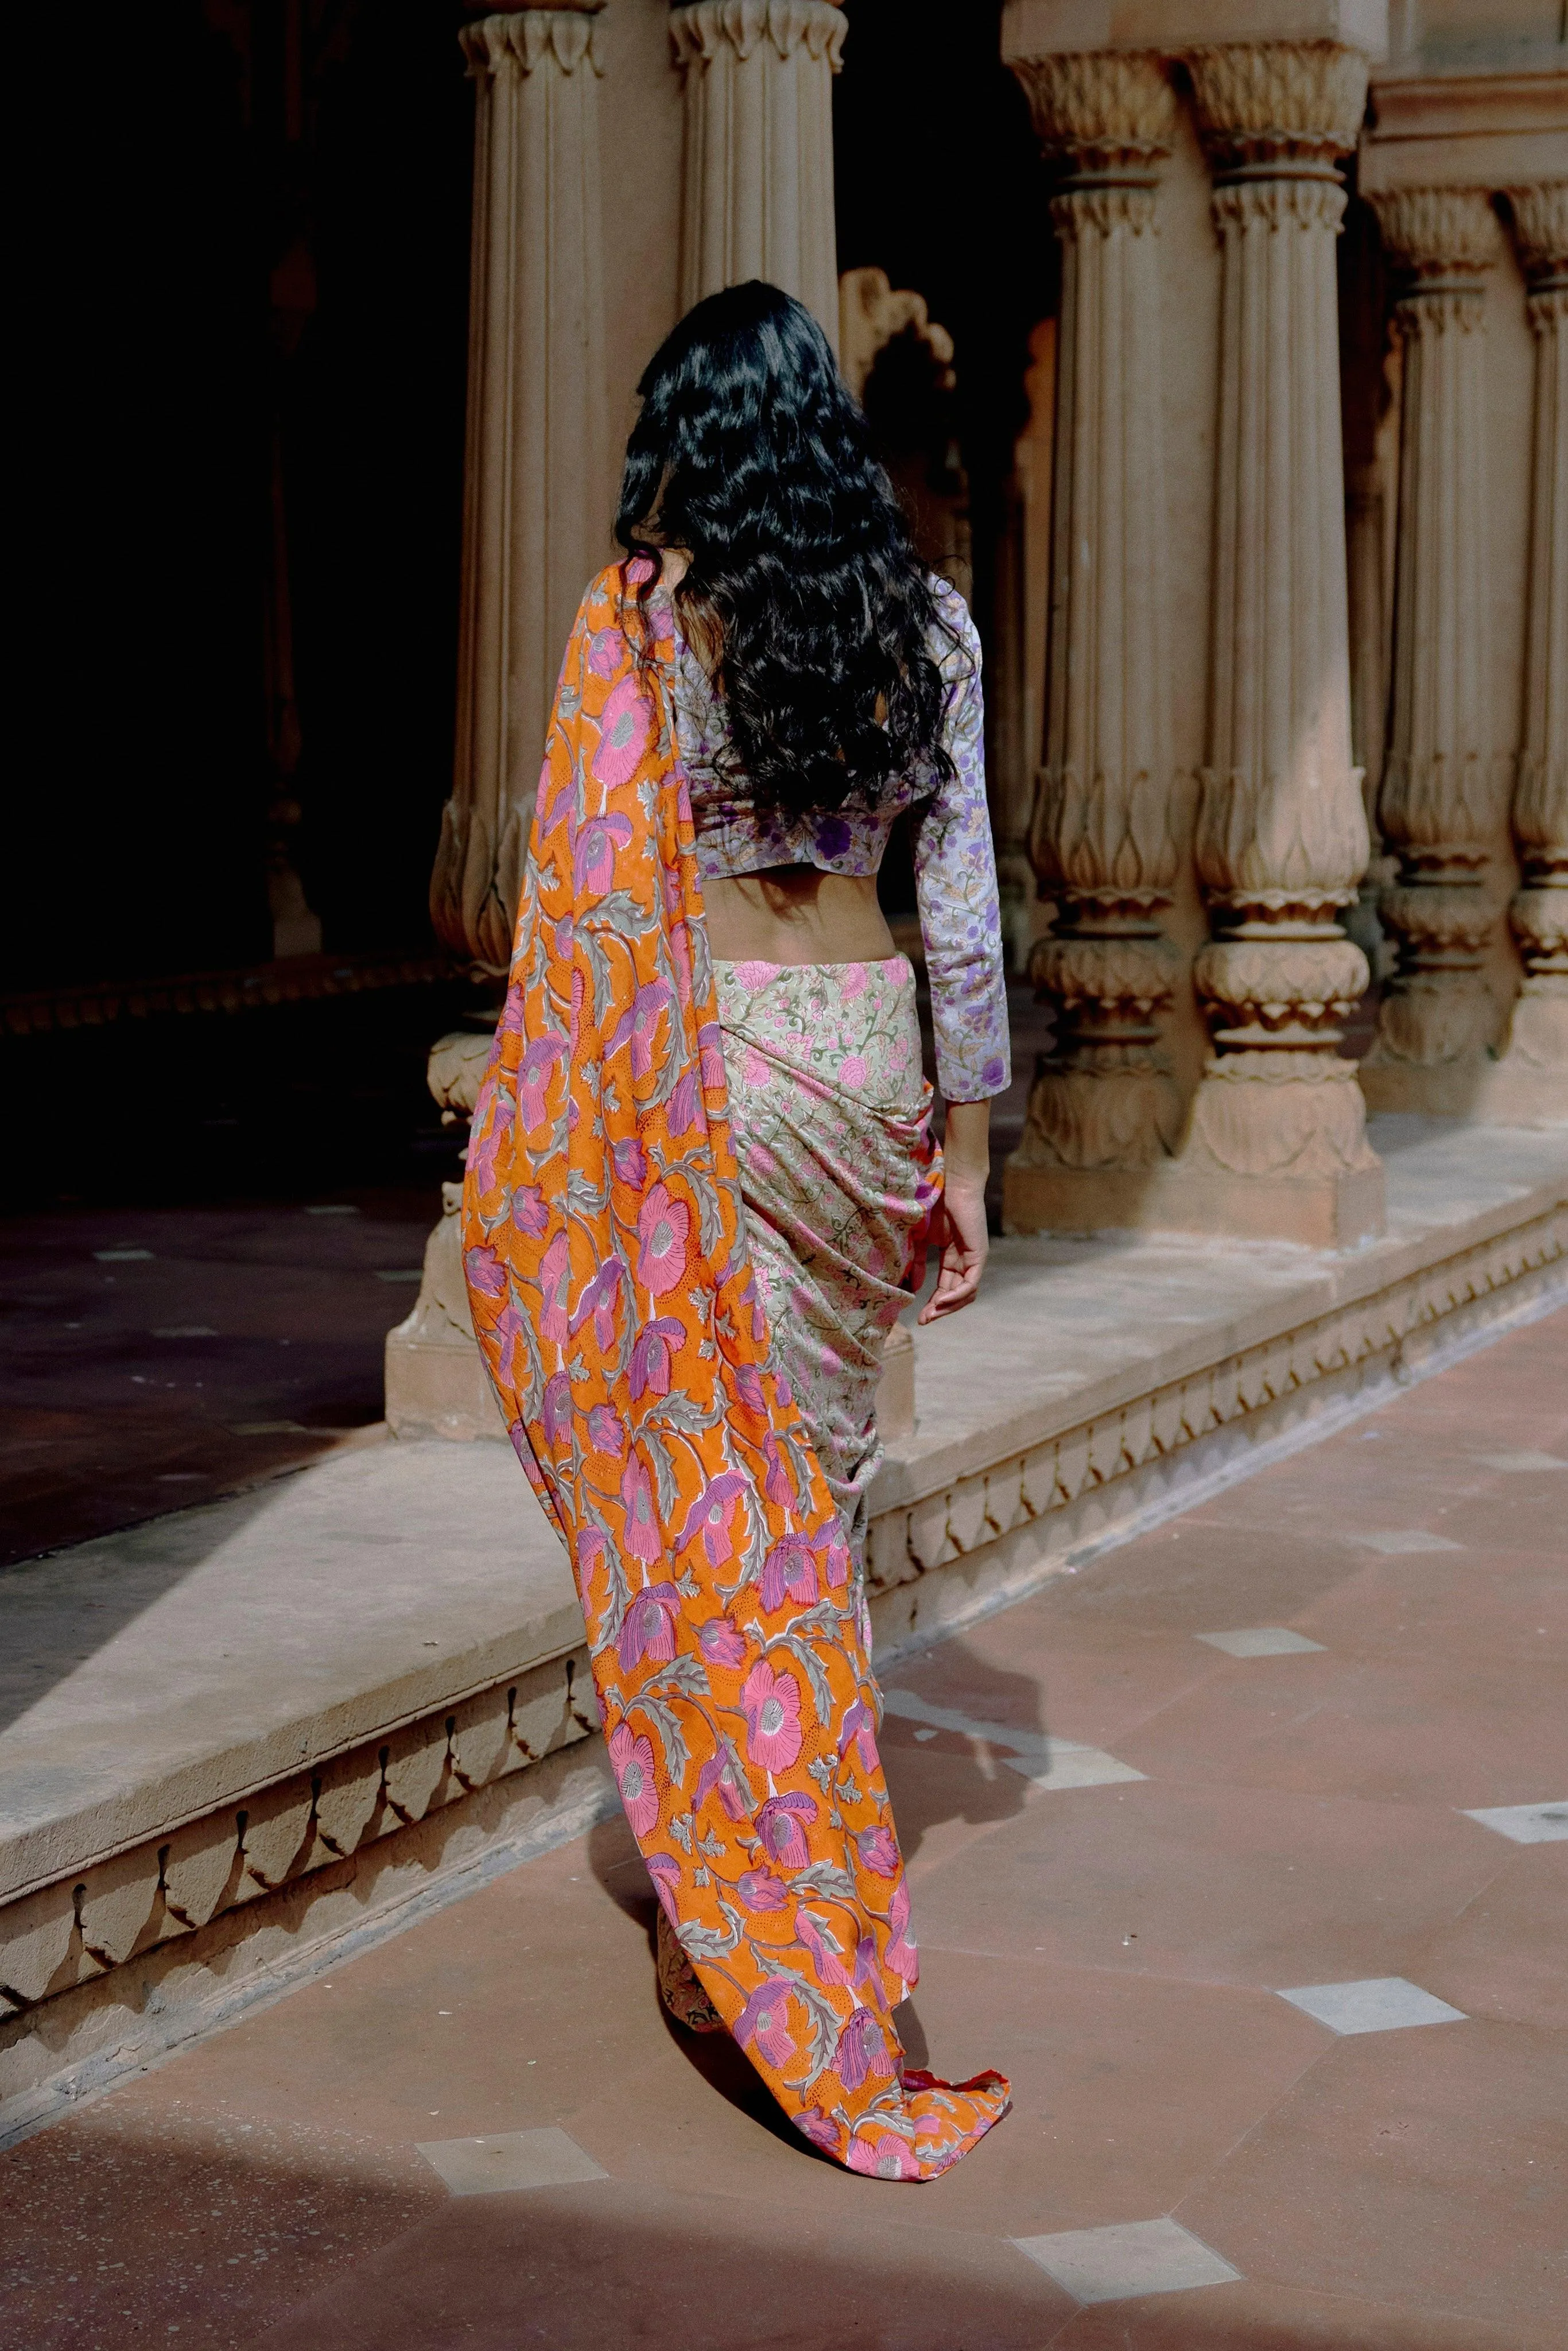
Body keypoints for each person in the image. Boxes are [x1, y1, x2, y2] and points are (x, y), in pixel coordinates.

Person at [463, 281, 1011, 2180]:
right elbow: (960, 919)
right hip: (858, 1069)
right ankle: (793, 1919)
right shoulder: (921, 618)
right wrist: (962, 1158)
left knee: (709, 1510)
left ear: (691, 430)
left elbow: (569, 911)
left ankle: (741, 1922)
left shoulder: (632, 628)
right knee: (814, 1509)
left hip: (698, 1078)